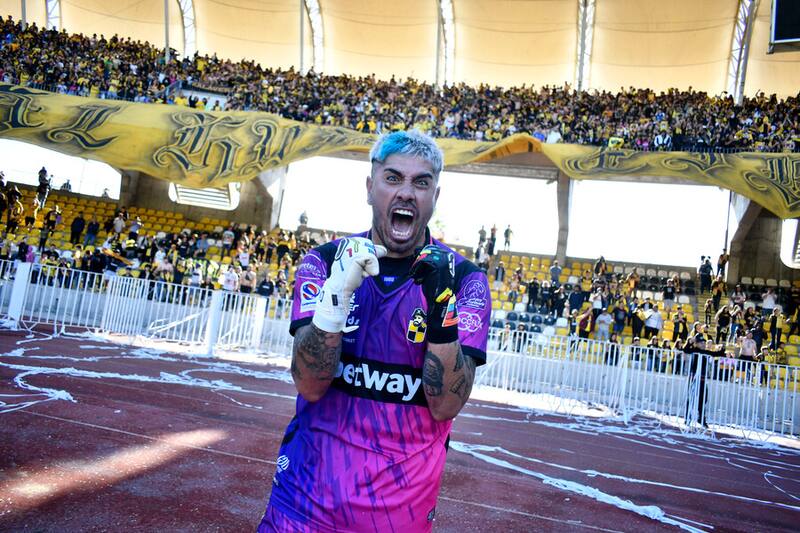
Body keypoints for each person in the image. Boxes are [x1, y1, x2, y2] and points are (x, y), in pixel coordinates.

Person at [258, 130, 490, 531]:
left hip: (397, 515)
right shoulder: (324, 261)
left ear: (435, 196)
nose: (407, 193)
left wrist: (442, 308)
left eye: (421, 183)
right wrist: (336, 296)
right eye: (393, 178)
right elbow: (309, 384)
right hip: (302, 503)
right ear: (370, 188)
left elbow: (446, 406)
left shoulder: (465, 280)